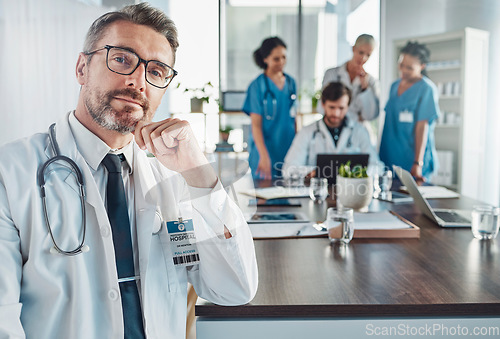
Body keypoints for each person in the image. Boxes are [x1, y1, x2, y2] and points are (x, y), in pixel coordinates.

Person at [0, 4, 257, 339]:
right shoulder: (12, 172)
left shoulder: (175, 179)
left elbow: (234, 289)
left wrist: (199, 174)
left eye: (157, 70)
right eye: (121, 59)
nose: (138, 81)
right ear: (82, 68)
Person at [283, 82, 381, 177]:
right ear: (323, 104)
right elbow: (288, 169)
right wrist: (312, 172)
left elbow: (378, 167)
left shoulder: (359, 131)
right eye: (332, 107)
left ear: (348, 106)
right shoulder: (307, 132)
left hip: (352, 190)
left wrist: (355, 173)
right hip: (317, 191)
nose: (336, 113)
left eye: (341, 108)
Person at [379, 41, 439, 182]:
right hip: (390, 157)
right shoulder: (394, 86)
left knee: (414, 202)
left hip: (412, 159)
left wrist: (417, 163)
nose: (403, 71)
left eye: (409, 68)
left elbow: (422, 127)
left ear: (422, 66)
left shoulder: (426, 89)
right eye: (401, 65)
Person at [242, 36, 297, 180]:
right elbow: (256, 125)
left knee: (290, 198)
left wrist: (298, 150)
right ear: (265, 59)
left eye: (284, 57)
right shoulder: (257, 86)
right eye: (276, 59)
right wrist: (264, 156)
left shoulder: (291, 83)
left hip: (288, 150)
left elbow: (294, 118)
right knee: (264, 197)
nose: (282, 62)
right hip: (264, 151)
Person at [321, 34, 379, 124]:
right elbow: (322, 107)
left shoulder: (371, 82)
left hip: (357, 130)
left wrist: (365, 88)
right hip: (334, 127)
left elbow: (370, 115)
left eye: (368, 55)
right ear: (353, 49)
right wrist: (356, 116)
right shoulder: (332, 74)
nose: (363, 58)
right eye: (361, 52)